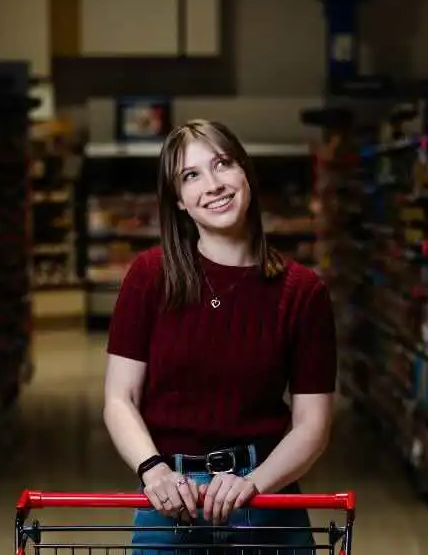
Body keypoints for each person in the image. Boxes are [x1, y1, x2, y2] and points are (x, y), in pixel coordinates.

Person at [103, 119, 337, 552]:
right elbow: (120, 399)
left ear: (244, 172)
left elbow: (313, 425)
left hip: (265, 496)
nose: (212, 185)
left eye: (222, 164)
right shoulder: (149, 277)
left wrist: (253, 484)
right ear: (179, 201)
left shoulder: (303, 292)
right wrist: (153, 471)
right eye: (191, 175)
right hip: (169, 497)